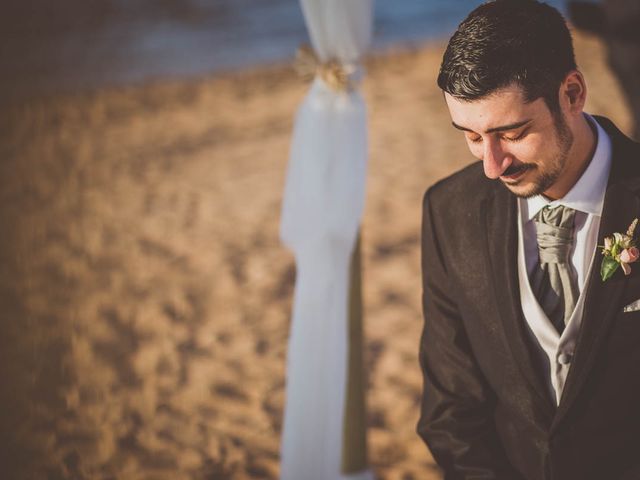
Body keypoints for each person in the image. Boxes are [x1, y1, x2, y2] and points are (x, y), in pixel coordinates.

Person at [416, 1, 640, 479]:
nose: (492, 165)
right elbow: (451, 410)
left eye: (512, 133)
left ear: (572, 93)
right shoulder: (448, 212)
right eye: (472, 137)